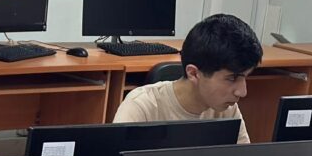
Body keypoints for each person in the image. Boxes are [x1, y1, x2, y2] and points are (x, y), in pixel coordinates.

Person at [111, 13, 260, 140]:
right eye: (232, 78)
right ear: (193, 73)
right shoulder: (141, 107)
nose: (242, 92)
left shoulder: (227, 110)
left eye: (245, 77)